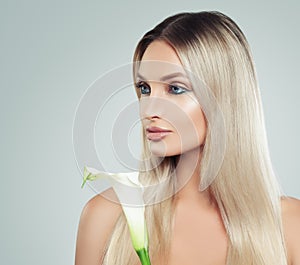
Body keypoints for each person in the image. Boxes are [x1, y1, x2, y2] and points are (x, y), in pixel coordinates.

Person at [75, 11, 300, 265]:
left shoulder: (291, 228)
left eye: (175, 89)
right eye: (145, 89)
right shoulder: (105, 218)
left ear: (224, 97)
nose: (148, 110)